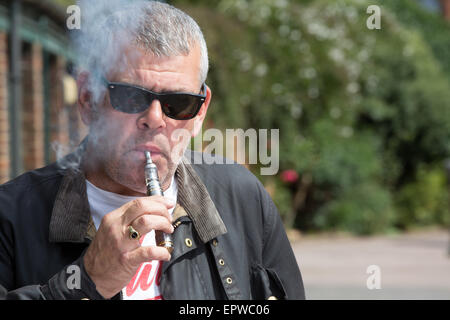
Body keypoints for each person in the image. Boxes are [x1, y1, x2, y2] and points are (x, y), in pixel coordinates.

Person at [0, 1, 305, 300]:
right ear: (87, 99)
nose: (155, 119)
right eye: (131, 97)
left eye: (179, 103)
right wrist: (84, 283)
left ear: (200, 112)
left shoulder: (242, 197)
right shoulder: (12, 215)